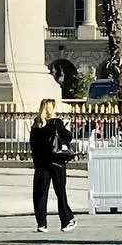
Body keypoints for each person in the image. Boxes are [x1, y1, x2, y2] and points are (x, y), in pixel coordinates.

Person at [28, 97, 76, 234]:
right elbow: (68, 137)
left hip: (42, 164)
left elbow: (33, 145)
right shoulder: (56, 123)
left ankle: (41, 223)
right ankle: (66, 220)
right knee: (60, 192)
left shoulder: (36, 125)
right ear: (52, 109)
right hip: (57, 162)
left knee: (40, 194)